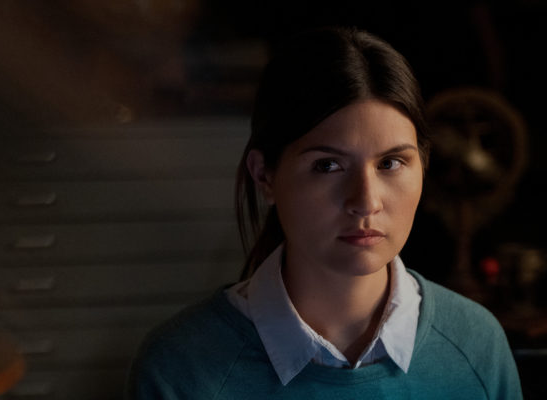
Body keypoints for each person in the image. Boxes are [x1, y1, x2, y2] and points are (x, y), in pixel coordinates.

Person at [125, 26, 522, 399]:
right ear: (264, 175)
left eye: (391, 163)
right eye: (327, 166)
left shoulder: (476, 345)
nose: (366, 201)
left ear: (424, 164)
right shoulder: (181, 369)